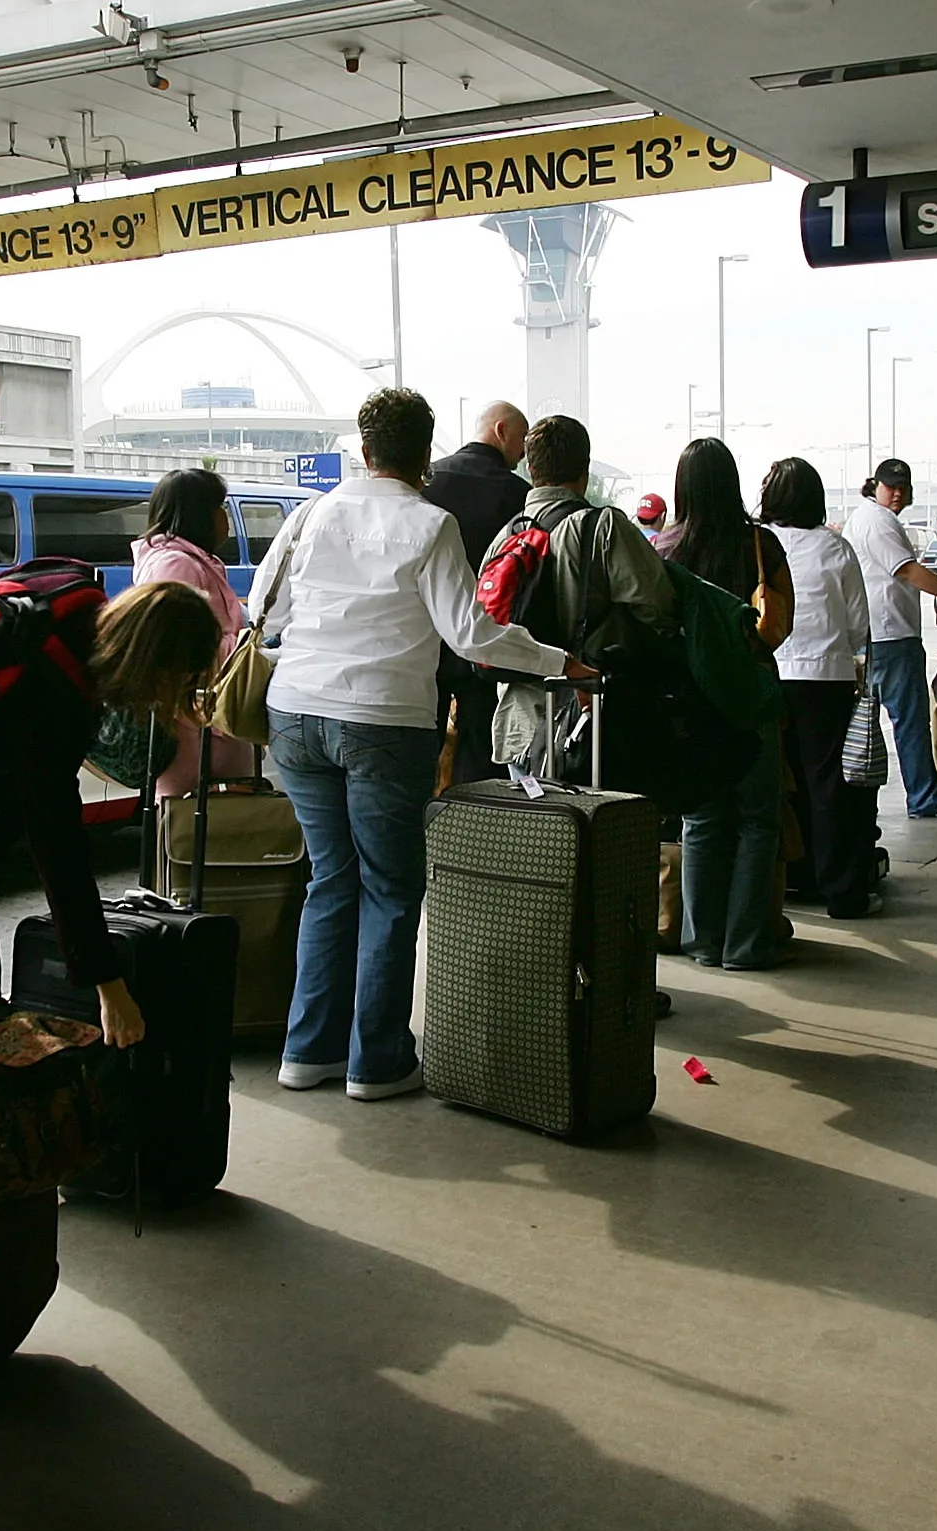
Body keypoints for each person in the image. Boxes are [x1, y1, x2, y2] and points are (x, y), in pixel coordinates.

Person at [251, 388, 582, 1100]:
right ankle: (376, 1062)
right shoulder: (431, 526)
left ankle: (307, 1051)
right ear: (423, 454)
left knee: (330, 881)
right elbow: (471, 634)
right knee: (391, 887)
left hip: (296, 714)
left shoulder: (312, 513)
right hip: (382, 720)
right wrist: (558, 660)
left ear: (363, 449)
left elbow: (263, 611)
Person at [0, 575, 223, 1031]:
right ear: (150, 663)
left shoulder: (73, 604)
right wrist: (108, 985)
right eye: (175, 681)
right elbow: (58, 850)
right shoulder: (51, 693)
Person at [664, 438, 793, 969]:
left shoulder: (664, 550)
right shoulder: (757, 545)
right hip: (752, 699)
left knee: (702, 819)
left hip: (693, 705)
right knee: (758, 820)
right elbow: (779, 628)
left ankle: (702, 940)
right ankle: (745, 945)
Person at [487, 414, 677, 773]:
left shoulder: (506, 537)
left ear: (532, 470)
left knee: (531, 828)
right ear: (585, 471)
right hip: (592, 719)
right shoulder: (604, 528)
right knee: (599, 825)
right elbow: (659, 607)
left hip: (522, 725)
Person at [759, 458, 878, 920]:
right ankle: (842, 892)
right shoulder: (836, 549)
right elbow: (859, 625)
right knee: (828, 785)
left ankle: (786, 882)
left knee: (774, 782)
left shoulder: (758, 543)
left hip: (768, 674)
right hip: (826, 678)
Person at [845, 458, 937, 821]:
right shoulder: (876, 521)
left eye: (903, 487)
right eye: (890, 486)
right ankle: (925, 797)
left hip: (877, 633)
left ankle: (879, 797)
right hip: (890, 635)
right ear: (874, 485)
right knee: (909, 721)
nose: (897, 493)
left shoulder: (871, 519)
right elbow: (907, 571)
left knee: (872, 721)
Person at [420, 400, 530, 784]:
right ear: (501, 431)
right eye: (522, 439)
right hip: (486, 635)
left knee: (424, 740)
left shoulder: (429, 480)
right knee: (479, 743)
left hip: (426, 635)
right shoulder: (518, 493)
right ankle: (472, 826)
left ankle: (425, 824)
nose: (523, 451)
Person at [128, 467, 247, 796]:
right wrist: (245, 647)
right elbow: (178, 645)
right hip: (191, 726)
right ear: (200, 513)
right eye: (220, 507)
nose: (226, 517)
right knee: (186, 831)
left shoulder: (194, 561)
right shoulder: (176, 565)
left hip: (206, 720)